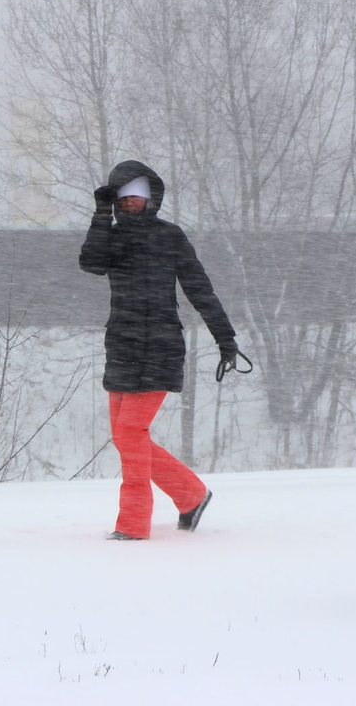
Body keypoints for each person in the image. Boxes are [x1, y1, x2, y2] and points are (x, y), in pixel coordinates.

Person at [79, 160, 239, 541]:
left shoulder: (170, 236)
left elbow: (200, 289)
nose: (132, 200)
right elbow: (90, 263)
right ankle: (192, 495)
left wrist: (225, 338)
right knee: (125, 436)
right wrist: (101, 215)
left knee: (131, 434)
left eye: (140, 194)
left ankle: (133, 524)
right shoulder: (112, 235)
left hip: (160, 345)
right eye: (125, 195)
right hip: (121, 344)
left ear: (152, 198)